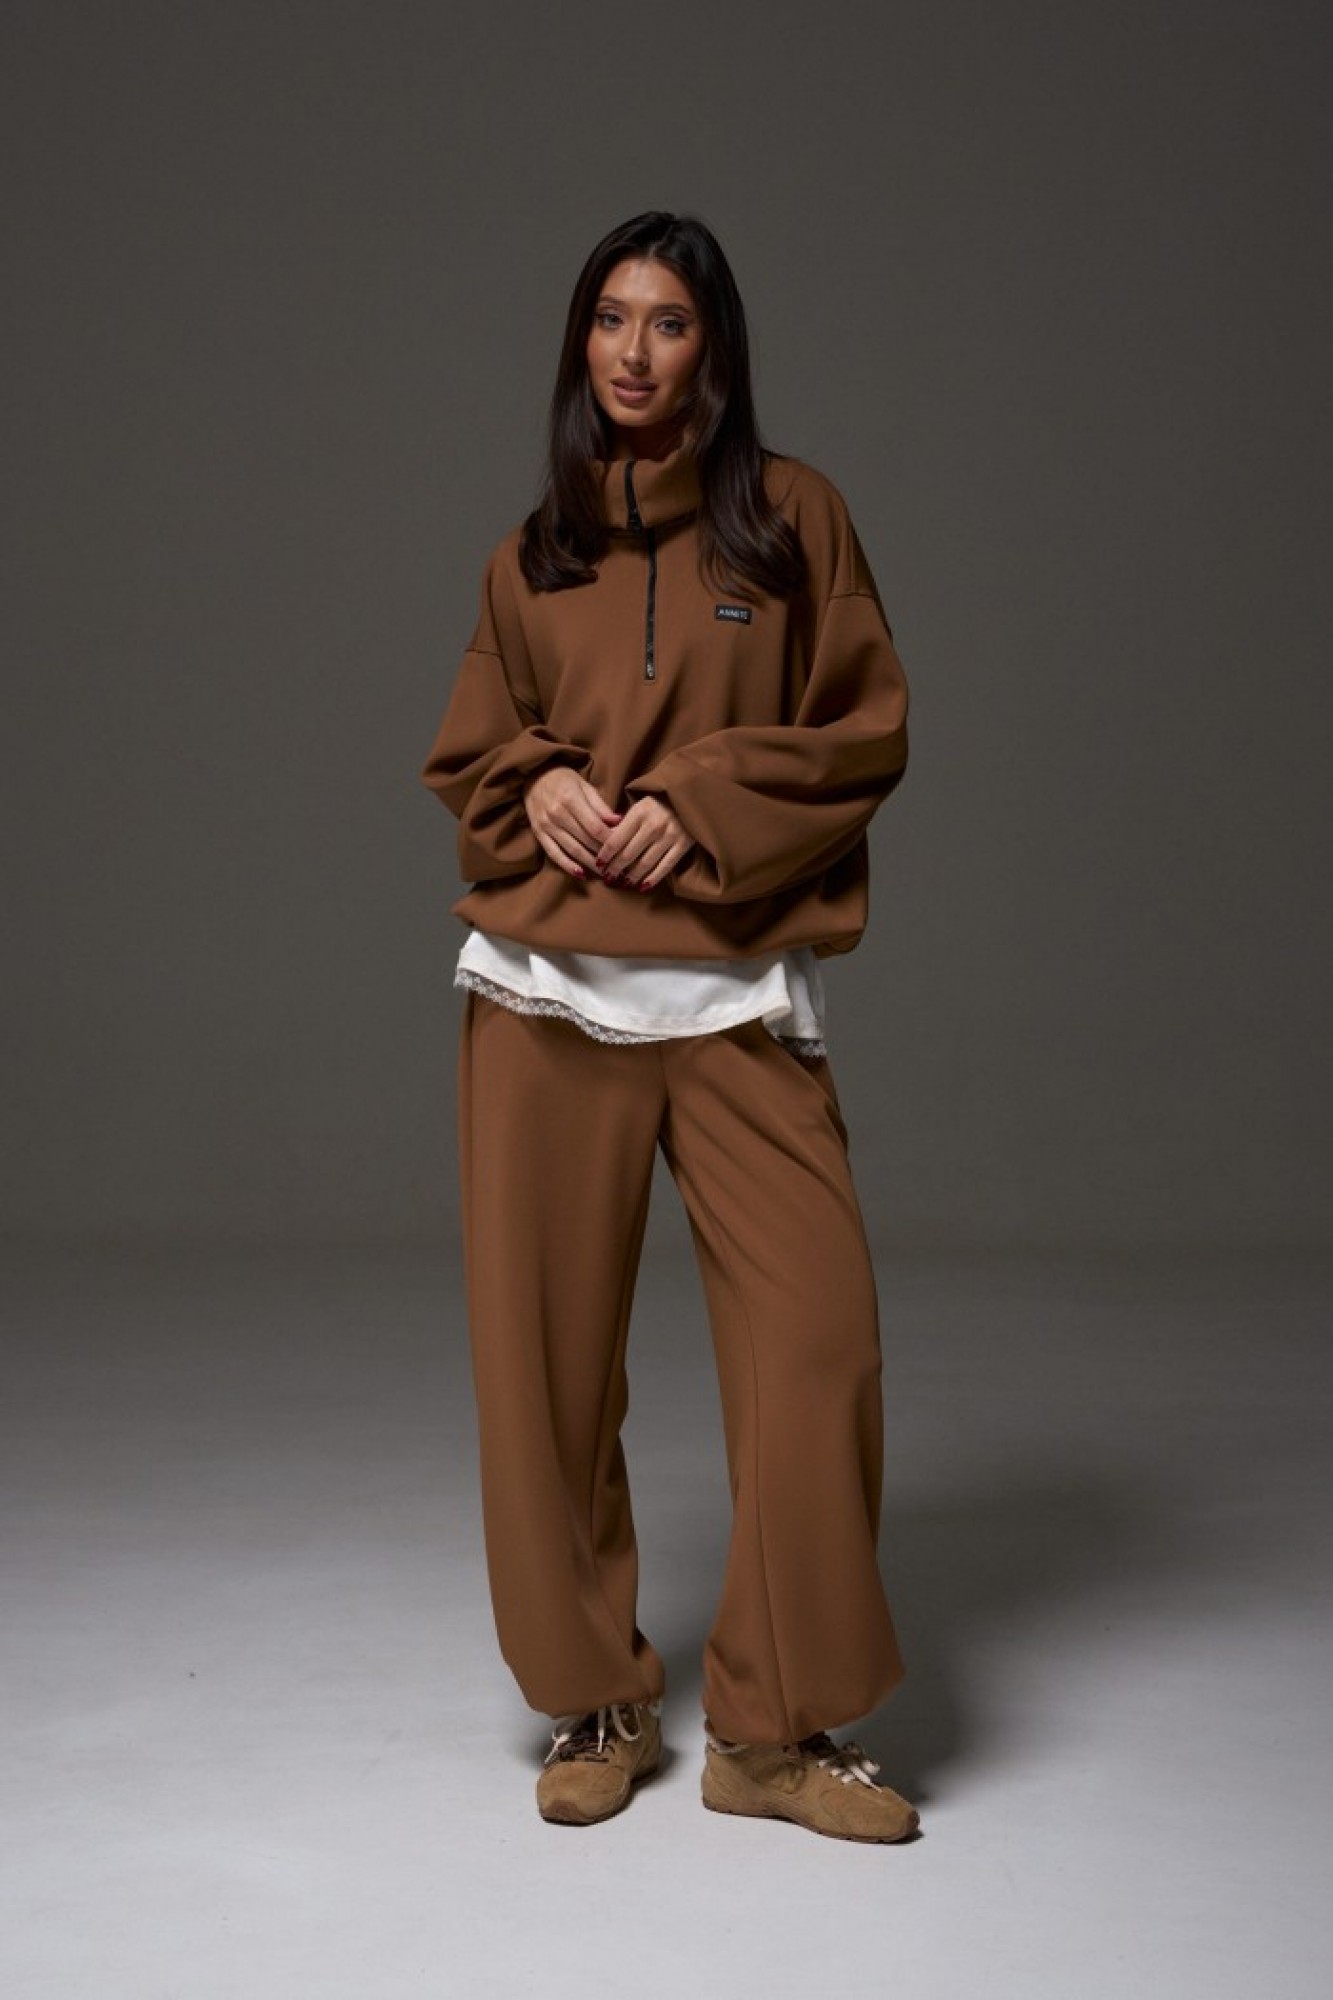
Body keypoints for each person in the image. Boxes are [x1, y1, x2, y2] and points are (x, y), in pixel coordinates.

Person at [419, 210, 919, 1843]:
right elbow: (474, 748)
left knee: (815, 1346)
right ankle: (597, 1697)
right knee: (546, 1372)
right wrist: (541, 785)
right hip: (546, 994)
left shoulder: (791, 522)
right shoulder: (530, 556)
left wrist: (693, 801)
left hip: (729, 988)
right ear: (581, 342)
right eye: (611, 319)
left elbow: (861, 730)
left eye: (670, 323)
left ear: (716, 347)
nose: (634, 352)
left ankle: (772, 1732)